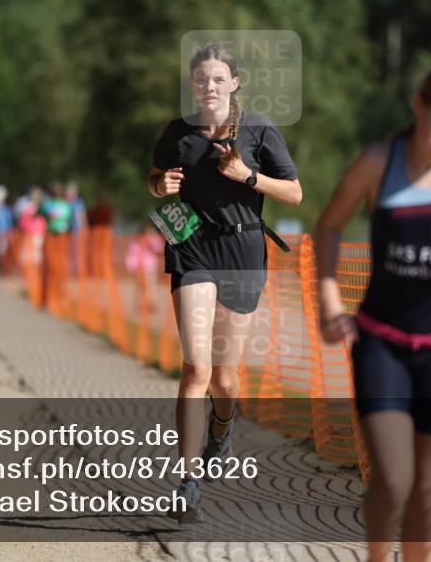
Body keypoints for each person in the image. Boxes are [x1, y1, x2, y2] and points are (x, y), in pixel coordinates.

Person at [315, 60, 431, 562]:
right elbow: (329, 225)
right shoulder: (379, 162)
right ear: (419, 104)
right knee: (394, 480)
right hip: (382, 344)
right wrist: (329, 301)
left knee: (427, 487)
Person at [148, 44, 302, 522]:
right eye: (201, 79)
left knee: (224, 379)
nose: (209, 86)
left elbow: (295, 193)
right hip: (192, 249)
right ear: (192, 84)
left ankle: (222, 424)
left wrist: (247, 175)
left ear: (234, 83)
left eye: (218, 79)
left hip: (242, 252)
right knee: (195, 368)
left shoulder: (259, 130)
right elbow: (155, 178)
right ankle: (188, 483)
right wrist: (160, 186)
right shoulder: (178, 132)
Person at [0, 185, 14, 275]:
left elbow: (8, 222)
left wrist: (9, 232)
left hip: (2, 233)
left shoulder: (5, 209)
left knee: (1, 252)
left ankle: (0, 270)